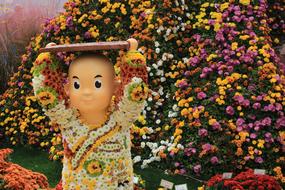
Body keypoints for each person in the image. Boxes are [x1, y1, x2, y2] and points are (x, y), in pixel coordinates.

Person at [32, 39, 148, 190]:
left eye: (97, 84)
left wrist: (133, 57)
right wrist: (46, 60)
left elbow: (135, 94)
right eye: (77, 85)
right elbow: (47, 95)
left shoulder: (121, 118)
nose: (86, 92)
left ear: (116, 87)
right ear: (67, 89)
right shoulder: (67, 119)